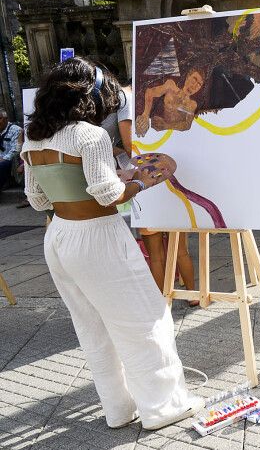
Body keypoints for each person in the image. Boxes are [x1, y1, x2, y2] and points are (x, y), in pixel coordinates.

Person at [21, 58, 202, 430]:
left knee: (92, 327)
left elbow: (38, 199)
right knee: (144, 318)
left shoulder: (33, 137)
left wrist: (115, 180)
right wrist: (143, 180)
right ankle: (162, 406)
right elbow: (109, 196)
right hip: (97, 236)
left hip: (59, 237)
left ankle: (118, 409)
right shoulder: (89, 135)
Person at [100, 81, 201, 307]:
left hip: (146, 180)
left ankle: (161, 302)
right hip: (172, 178)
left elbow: (128, 148)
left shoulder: (134, 114)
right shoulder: (176, 119)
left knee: (156, 253)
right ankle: (193, 295)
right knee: (180, 248)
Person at [1, 109, 21, 195]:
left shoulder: (16, 130)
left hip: (12, 159)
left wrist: (3, 158)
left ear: (6, 119)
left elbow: (17, 148)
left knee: (2, 165)